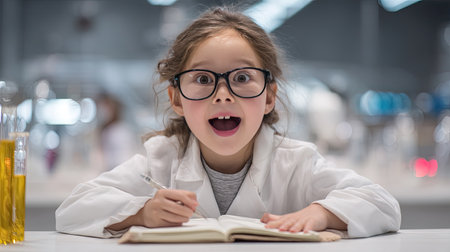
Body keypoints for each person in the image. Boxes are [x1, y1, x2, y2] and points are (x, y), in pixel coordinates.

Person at [55, 7, 401, 238]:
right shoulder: (160, 158)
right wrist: (141, 212)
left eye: (242, 78)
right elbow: (71, 210)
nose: (223, 95)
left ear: (268, 97)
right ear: (176, 99)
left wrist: (322, 213)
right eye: (203, 80)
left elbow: (382, 203)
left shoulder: (296, 161)